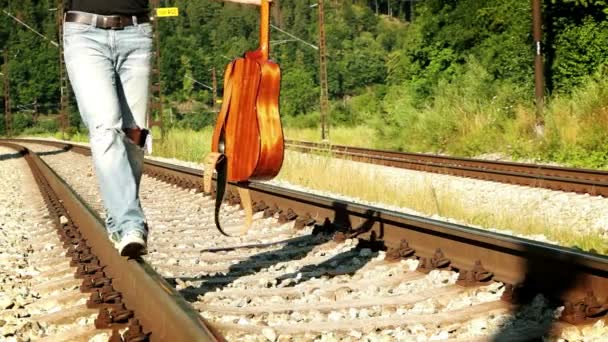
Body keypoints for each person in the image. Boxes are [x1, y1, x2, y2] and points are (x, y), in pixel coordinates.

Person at [62, 0, 270, 258]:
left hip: (136, 35)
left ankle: (119, 221)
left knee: (134, 135)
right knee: (105, 127)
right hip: (84, 35)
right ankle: (130, 224)